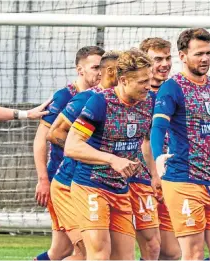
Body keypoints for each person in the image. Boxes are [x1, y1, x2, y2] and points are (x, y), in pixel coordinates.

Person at [151, 28, 210, 261]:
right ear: (183, 56)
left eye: (208, 53)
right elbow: (158, 127)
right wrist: (158, 156)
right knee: (192, 255)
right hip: (183, 181)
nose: (204, 58)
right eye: (198, 54)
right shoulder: (172, 88)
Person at [64, 49, 155, 260]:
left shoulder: (149, 101)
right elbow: (72, 146)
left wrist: (155, 174)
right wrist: (112, 159)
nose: (148, 86)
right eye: (142, 81)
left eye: (149, 80)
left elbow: (149, 141)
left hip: (120, 189)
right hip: (91, 186)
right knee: (99, 255)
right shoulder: (101, 102)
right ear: (123, 80)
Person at [33, 46, 104, 261]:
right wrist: (43, 179)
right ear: (79, 69)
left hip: (86, 182)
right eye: (95, 67)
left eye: (103, 67)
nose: (100, 72)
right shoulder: (66, 96)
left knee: (61, 251)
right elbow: (41, 139)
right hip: (63, 181)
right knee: (86, 251)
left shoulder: (102, 97)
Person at [139, 37, 181, 260]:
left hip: (168, 177)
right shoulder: (137, 94)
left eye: (167, 58)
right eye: (158, 59)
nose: (165, 64)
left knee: (171, 252)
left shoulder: (175, 91)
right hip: (140, 179)